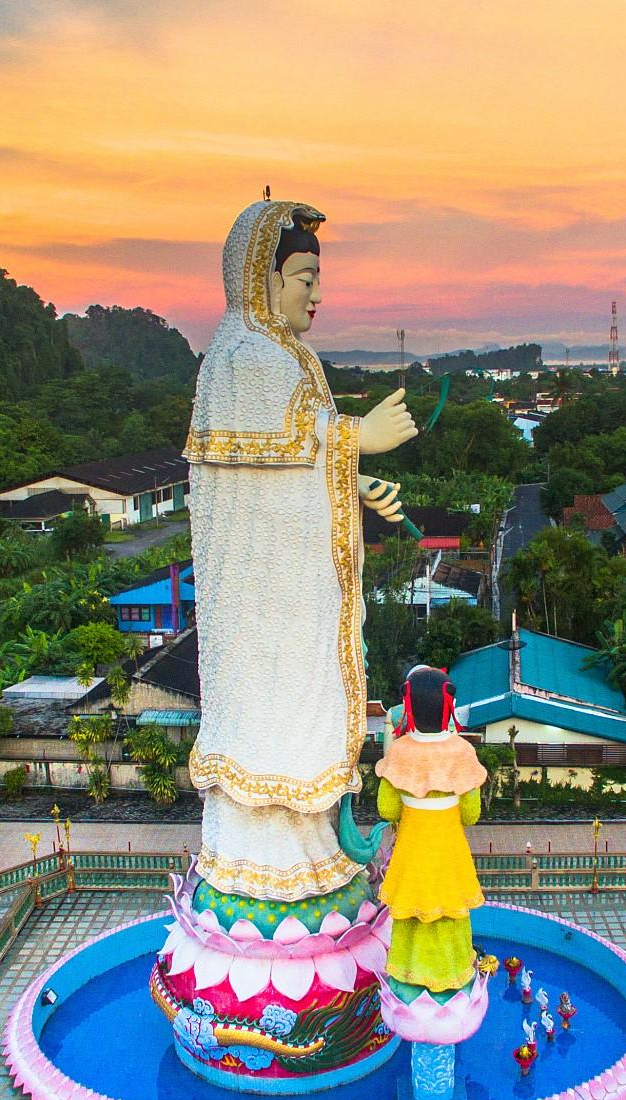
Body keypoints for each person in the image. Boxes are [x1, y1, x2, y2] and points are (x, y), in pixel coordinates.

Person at [184, 199, 417, 908]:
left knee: (299, 709)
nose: (316, 295)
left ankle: (314, 863)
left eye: (318, 278)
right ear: (262, 279)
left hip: (287, 595)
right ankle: (268, 875)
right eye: (303, 277)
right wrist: (358, 438)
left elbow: (293, 459)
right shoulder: (247, 357)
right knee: (274, 718)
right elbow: (297, 443)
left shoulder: (281, 355)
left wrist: (353, 477)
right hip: (264, 609)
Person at [376, 665, 489, 996]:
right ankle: (451, 972)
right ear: (448, 706)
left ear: (408, 706)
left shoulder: (400, 752)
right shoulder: (462, 752)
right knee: (449, 912)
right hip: (448, 854)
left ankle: (408, 973)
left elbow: (387, 810)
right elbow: (470, 815)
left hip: (412, 854)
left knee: (410, 913)